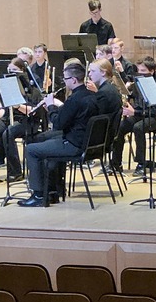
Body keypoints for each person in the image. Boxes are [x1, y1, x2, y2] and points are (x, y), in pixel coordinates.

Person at [20, 63, 96, 206]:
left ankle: (38, 195)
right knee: (45, 143)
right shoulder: (90, 95)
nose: (65, 82)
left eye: (66, 79)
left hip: (75, 144)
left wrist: (50, 106)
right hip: (86, 141)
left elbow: (58, 124)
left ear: (73, 80)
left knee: (31, 149)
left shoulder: (74, 99)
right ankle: (52, 191)